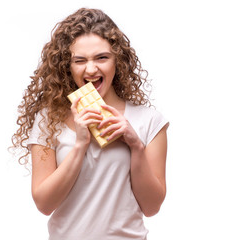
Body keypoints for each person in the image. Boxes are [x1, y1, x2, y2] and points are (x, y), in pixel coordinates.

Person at [11, 8, 169, 240]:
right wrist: (80, 144)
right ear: (68, 66)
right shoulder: (48, 120)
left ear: (118, 60)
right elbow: (44, 204)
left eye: (102, 58)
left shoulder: (149, 121)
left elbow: (152, 207)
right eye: (80, 60)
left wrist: (135, 145)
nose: (91, 69)